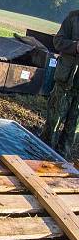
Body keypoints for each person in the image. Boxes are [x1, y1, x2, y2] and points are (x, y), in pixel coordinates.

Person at [42, 9, 79, 157]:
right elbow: (57, 41)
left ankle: (62, 157)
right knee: (54, 118)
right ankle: (43, 152)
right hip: (65, 80)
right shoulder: (73, 18)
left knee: (73, 125)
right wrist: (75, 46)